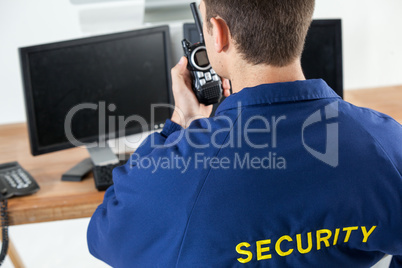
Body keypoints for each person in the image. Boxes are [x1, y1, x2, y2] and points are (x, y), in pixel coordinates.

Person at [87, 0, 402, 267]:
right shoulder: (388, 145)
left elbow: (106, 234)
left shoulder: (177, 176)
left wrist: (182, 122)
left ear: (219, 34)